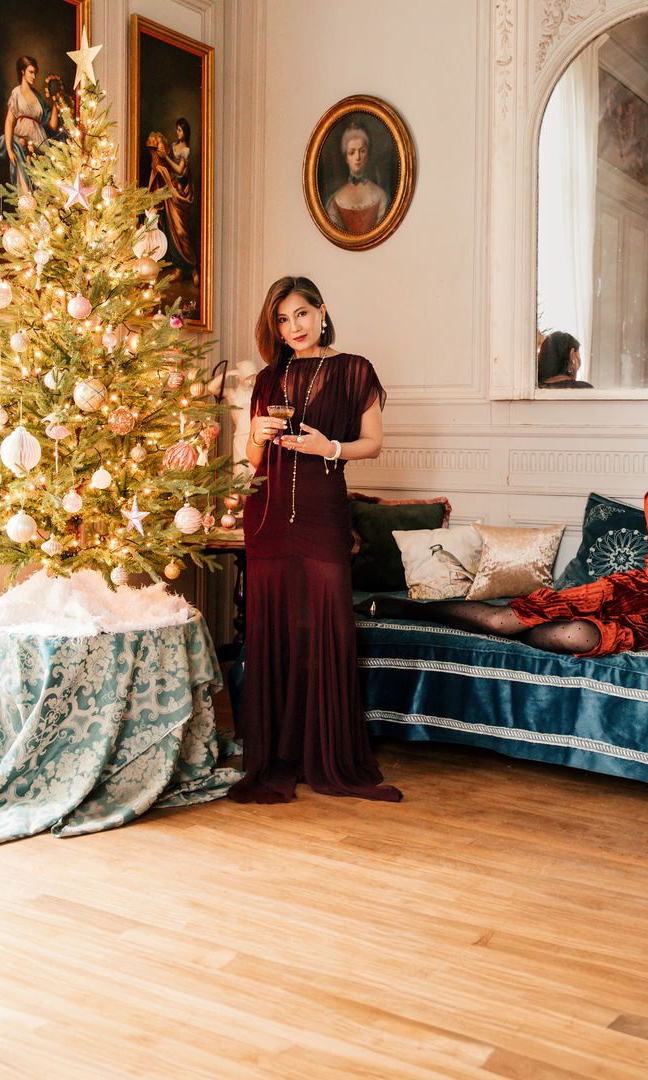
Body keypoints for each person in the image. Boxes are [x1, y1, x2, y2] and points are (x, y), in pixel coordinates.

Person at [363, 421, 648, 656]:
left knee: (579, 635)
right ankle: (415, 609)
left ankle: (482, 630)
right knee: (505, 620)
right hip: (633, 590)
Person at [229, 276, 401, 803]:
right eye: (282, 320)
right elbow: (245, 468)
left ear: (322, 313)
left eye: (301, 314)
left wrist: (331, 448)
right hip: (267, 517)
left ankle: (324, 750)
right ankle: (276, 751)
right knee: (273, 629)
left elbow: (372, 444)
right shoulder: (264, 380)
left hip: (323, 514)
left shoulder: (355, 369)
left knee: (325, 626)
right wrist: (255, 441)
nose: (293, 328)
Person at [0, 55, 59, 194]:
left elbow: (53, 126)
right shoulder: (17, 93)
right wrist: (9, 148)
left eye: (35, 73)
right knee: (25, 183)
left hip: (40, 142)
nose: (34, 76)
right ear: (23, 72)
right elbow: (9, 121)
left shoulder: (37, 96)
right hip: (22, 143)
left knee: (41, 183)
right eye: (31, 72)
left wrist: (56, 104)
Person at [146, 119, 198, 284]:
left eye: (180, 130)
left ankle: (193, 267)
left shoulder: (186, 150)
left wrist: (166, 158)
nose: (178, 133)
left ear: (186, 132)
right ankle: (179, 269)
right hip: (170, 190)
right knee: (171, 230)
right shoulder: (173, 145)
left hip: (179, 193)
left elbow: (180, 170)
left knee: (181, 232)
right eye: (177, 130)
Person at [325, 123, 390, 236]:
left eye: (362, 151)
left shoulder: (381, 196)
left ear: (368, 154)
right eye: (352, 152)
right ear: (346, 157)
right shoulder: (334, 202)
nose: (358, 157)